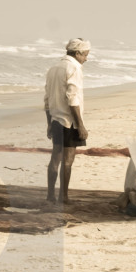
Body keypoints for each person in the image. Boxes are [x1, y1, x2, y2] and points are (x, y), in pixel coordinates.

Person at [44, 38, 90, 204]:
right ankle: (64, 197)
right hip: (69, 121)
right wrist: (81, 125)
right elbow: (73, 99)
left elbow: (47, 100)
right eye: (85, 55)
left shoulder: (53, 68)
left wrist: (49, 123)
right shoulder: (74, 68)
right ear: (77, 53)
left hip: (56, 119)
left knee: (55, 158)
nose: (86, 58)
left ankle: (50, 195)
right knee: (68, 160)